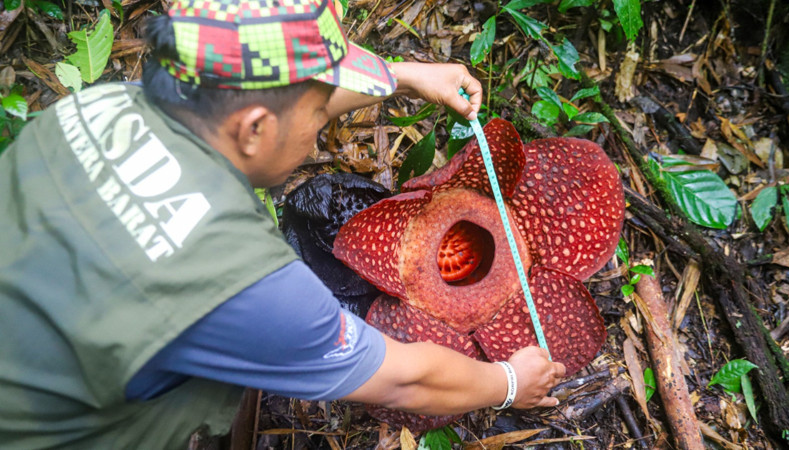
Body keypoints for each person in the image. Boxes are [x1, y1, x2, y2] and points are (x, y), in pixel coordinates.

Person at [0, 0, 567, 448]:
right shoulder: (244, 283)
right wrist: (510, 382)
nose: (320, 125)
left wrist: (401, 76)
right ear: (254, 129)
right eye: (318, 112)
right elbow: (404, 379)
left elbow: (272, 106)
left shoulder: (98, 108)